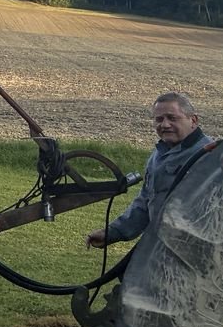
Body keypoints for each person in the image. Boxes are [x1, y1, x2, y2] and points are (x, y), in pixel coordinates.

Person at [86, 92, 215, 250]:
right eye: (159, 119)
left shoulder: (210, 154)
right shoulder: (159, 154)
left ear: (193, 120)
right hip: (162, 245)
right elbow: (146, 201)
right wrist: (112, 232)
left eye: (172, 118)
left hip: (195, 250)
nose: (165, 124)